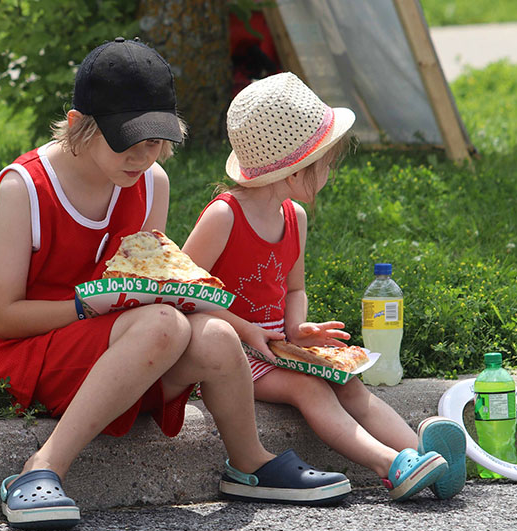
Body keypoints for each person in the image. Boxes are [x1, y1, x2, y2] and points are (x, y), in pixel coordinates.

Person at [0, 38, 352, 531]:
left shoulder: (152, 182)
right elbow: (2, 319)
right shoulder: (24, 187)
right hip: (35, 349)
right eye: (131, 141)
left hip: (124, 346)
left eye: (158, 141)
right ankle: (40, 468)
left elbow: (150, 285)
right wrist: (93, 305)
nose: (146, 156)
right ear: (80, 122)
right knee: (164, 324)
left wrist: (198, 305)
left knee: (213, 334)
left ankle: (249, 463)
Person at [181, 72, 467, 502]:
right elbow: (183, 293)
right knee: (310, 387)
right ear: (295, 169)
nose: (330, 172)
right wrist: (246, 330)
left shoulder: (293, 216)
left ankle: (421, 454)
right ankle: (389, 465)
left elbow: (293, 290)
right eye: (326, 164)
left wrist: (298, 328)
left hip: (278, 346)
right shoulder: (224, 217)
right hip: (236, 357)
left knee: (349, 383)